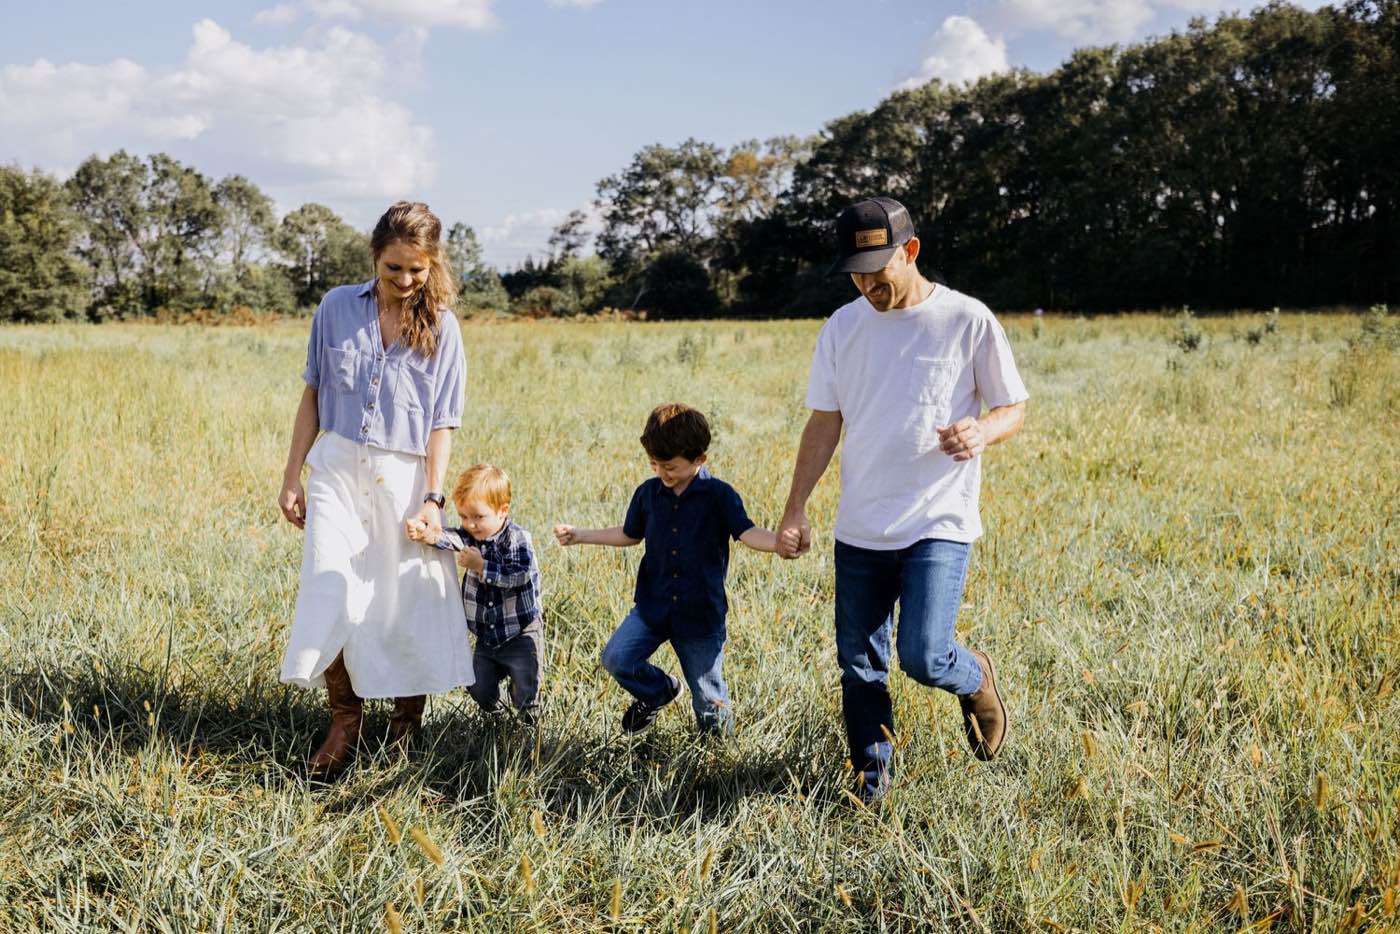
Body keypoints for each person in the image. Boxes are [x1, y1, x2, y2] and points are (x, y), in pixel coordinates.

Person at [776, 197, 1029, 801]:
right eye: (856, 272)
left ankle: (975, 678)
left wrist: (982, 430)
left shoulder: (967, 320)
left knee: (922, 653)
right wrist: (795, 507)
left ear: (909, 251)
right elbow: (823, 424)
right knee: (860, 666)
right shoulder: (843, 327)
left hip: (938, 520)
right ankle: (872, 779)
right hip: (861, 525)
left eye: (877, 268)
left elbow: (1012, 406)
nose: (867, 284)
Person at [277, 201, 474, 779]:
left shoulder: (443, 325)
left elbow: (443, 421)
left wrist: (433, 500)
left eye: (418, 270)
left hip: (405, 477)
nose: (406, 281)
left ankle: (405, 726)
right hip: (336, 467)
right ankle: (345, 718)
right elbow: (312, 393)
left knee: (402, 598)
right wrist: (292, 474)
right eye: (394, 269)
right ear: (375, 257)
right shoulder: (337, 307)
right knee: (328, 587)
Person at [553, 404, 792, 734]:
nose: (662, 473)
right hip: (653, 606)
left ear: (699, 460)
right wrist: (581, 535)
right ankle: (660, 691)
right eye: (654, 464)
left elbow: (747, 532)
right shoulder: (648, 494)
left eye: (671, 467)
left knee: (709, 699)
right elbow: (628, 534)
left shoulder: (719, 496)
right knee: (617, 658)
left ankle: (719, 759)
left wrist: (779, 542)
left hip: (699, 615)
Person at [407, 464, 544, 722]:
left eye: (478, 517)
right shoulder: (471, 535)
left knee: (527, 690)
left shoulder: (517, 539)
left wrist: (482, 567)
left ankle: (529, 731)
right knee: (478, 687)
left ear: (502, 511)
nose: (470, 524)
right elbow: (450, 538)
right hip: (487, 636)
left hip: (521, 632)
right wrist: (427, 534)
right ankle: (501, 712)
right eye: (463, 516)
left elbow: (519, 574)